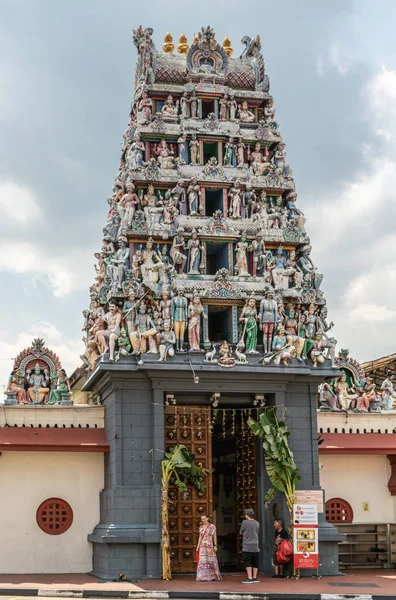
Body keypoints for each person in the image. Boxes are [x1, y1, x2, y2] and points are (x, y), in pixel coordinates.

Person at [196, 514, 221, 581]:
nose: (203, 520)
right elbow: (200, 537)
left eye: (204, 519)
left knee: (211, 560)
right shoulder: (201, 527)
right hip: (202, 546)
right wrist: (198, 546)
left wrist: (215, 545)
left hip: (209, 545)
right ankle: (202, 576)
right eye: (202, 519)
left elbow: (214, 536)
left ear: (207, 518)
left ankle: (213, 576)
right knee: (203, 560)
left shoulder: (212, 526)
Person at [240, 508, 260, 583]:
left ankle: (249, 577)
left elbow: (241, 532)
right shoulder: (257, 523)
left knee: (248, 561)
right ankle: (255, 577)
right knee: (255, 561)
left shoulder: (244, 522)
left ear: (247, 515)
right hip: (255, 545)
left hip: (247, 545)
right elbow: (257, 532)